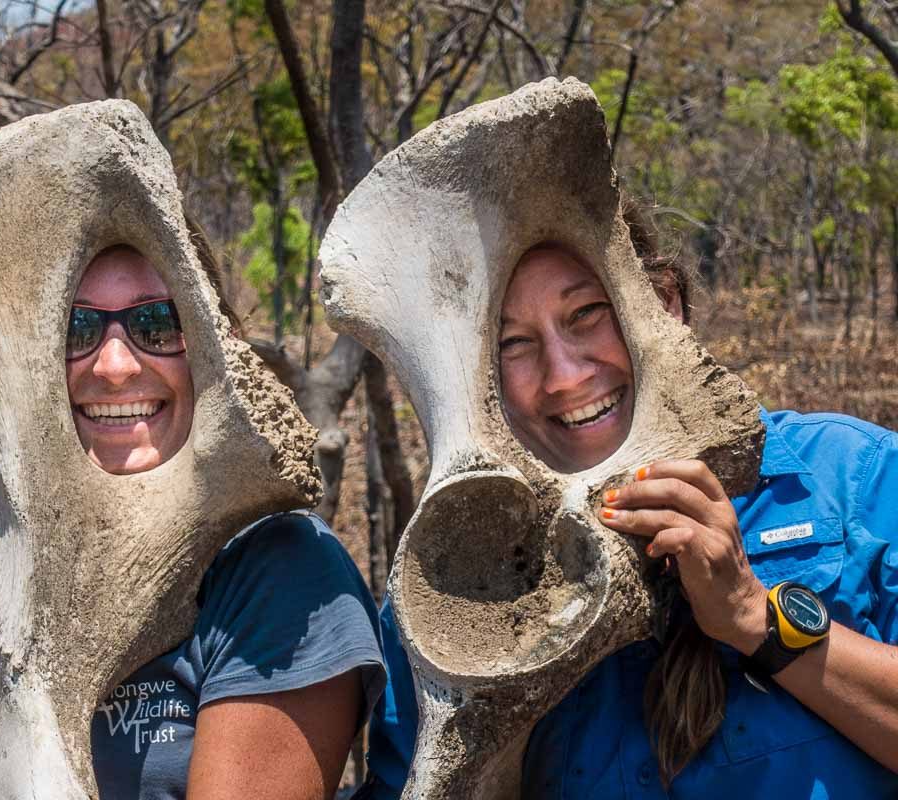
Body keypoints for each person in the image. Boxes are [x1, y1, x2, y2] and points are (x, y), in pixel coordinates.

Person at [361, 204, 898, 798]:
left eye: (587, 313)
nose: (563, 376)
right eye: (513, 342)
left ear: (663, 306)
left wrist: (753, 616)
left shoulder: (851, 474)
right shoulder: (452, 581)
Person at [0, 227, 386, 800]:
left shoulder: (280, 571)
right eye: (76, 329)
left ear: (218, 348)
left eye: (157, 324)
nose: (113, 366)